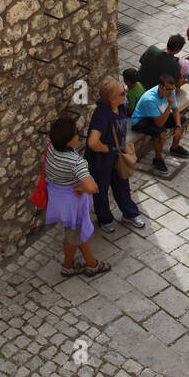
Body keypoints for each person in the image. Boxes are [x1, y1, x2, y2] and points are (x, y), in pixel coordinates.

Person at [44, 114, 109, 277]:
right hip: (72, 204)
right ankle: (70, 267)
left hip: (57, 197)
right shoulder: (76, 162)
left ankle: (90, 262)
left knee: (77, 232)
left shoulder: (50, 146)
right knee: (74, 234)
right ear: (69, 141)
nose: (78, 135)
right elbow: (92, 188)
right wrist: (81, 189)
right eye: (76, 133)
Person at [85, 79, 145, 232]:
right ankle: (104, 219)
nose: (126, 94)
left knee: (122, 185)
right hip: (100, 161)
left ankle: (129, 213)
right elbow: (92, 142)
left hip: (115, 156)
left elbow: (120, 130)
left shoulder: (120, 107)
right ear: (112, 99)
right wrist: (106, 148)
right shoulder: (102, 115)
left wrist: (123, 146)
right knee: (102, 190)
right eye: (122, 93)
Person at [130, 74, 189, 173]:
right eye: (168, 89)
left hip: (158, 114)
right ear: (160, 87)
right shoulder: (150, 99)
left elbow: (176, 110)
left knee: (182, 119)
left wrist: (178, 126)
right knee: (161, 132)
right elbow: (159, 124)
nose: (171, 92)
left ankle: (175, 148)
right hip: (141, 120)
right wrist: (170, 105)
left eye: (173, 89)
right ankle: (157, 159)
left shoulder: (170, 91)